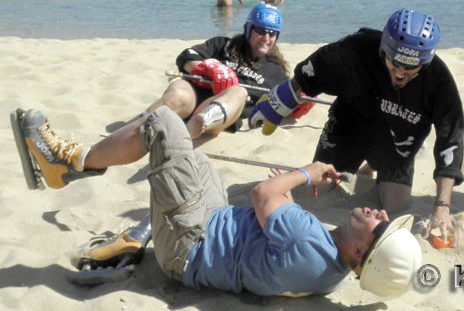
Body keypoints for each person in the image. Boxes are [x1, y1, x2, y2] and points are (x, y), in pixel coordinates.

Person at [15, 106, 422, 298]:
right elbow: (274, 221)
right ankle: (142, 232)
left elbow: (263, 195)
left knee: (163, 123)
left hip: (189, 242)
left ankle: (70, 163)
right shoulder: (331, 274)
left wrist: (308, 172)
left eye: (382, 226)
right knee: (198, 160)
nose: (383, 213)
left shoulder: (307, 240)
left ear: (361, 252)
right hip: (211, 231)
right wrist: (283, 190)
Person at [13, 3, 291, 191]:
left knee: (238, 90)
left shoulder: (275, 71)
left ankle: (179, 136)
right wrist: (206, 66)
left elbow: (276, 106)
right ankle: (80, 160)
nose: (266, 38)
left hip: (219, 115)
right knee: (178, 91)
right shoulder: (224, 45)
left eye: (272, 34)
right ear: (248, 29)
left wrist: (291, 104)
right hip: (194, 97)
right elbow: (186, 56)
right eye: (260, 31)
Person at [248, 8, 464, 245]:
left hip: (397, 140)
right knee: (318, 191)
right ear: (384, 48)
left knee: (396, 204)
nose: (400, 72)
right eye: (394, 61)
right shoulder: (358, 48)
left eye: (411, 66)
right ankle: (361, 162)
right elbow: (310, 73)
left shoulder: (439, 79)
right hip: (349, 126)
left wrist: (442, 206)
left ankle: (372, 164)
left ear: (426, 61)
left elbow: (451, 140)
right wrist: (276, 105)